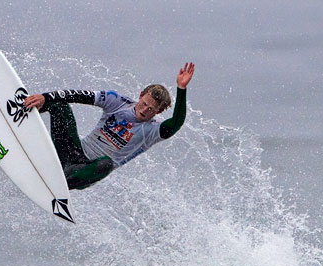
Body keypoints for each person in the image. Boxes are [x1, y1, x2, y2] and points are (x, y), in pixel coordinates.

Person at [22, 62, 196, 190]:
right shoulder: (117, 101)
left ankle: (56, 186)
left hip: (85, 171)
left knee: (106, 164)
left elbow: (176, 123)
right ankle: (22, 110)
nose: (144, 110)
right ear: (141, 95)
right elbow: (78, 95)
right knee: (60, 104)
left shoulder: (151, 131)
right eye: (144, 104)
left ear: (159, 111)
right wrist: (45, 97)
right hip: (71, 152)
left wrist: (181, 89)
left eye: (151, 109)